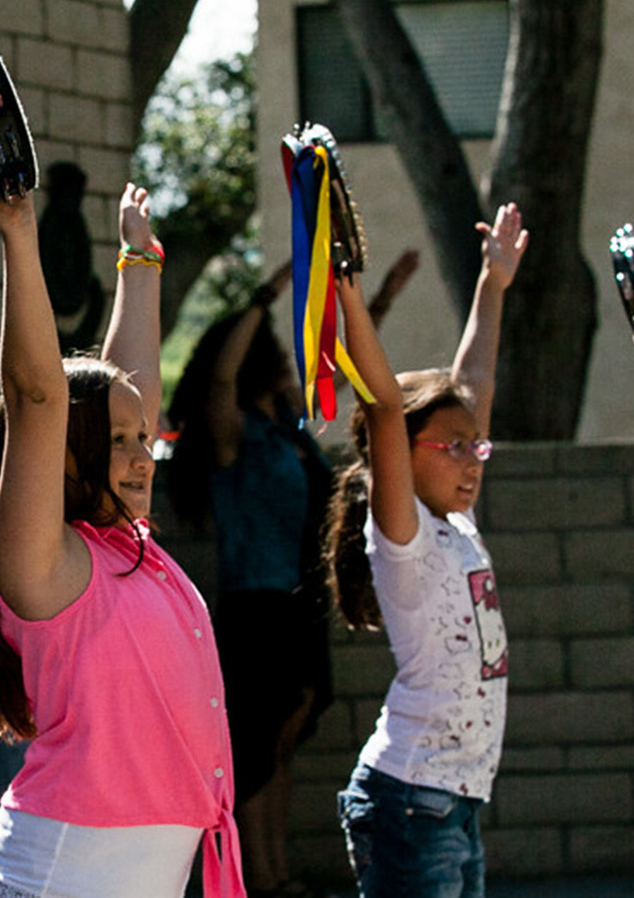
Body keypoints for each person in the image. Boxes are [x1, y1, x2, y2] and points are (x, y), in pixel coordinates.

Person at [0, 166, 242, 898]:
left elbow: (129, 386)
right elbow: (38, 393)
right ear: (67, 453)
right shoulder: (47, 561)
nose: (141, 455)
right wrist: (19, 232)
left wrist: (140, 264)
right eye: (117, 442)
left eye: (145, 439)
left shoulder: (128, 548)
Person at [167, 249, 419, 898]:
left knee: (281, 740)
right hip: (255, 608)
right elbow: (219, 383)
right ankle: (260, 879)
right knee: (255, 747)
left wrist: (378, 300)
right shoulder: (233, 433)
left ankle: (275, 874)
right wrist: (266, 293)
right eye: (271, 348)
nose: (284, 357)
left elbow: (341, 376)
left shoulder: (288, 431)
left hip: (297, 602)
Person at [327, 204, 528, 897]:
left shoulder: (457, 525)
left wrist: (492, 285)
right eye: (452, 447)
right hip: (410, 804)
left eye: (478, 446)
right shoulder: (402, 537)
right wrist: (350, 294)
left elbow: (475, 382)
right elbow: (386, 405)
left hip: (452, 805)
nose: (473, 461)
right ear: (400, 457)